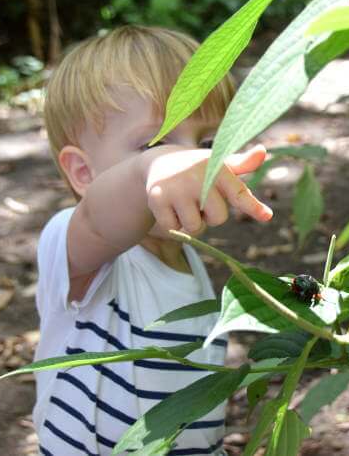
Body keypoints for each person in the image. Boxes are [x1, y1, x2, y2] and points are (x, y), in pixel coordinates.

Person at [31, 25, 273, 456]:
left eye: (207, 142)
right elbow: (99, 219)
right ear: (83, 174)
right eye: (156, 143)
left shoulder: (190, 259)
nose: (191, 160)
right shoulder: (78, 250)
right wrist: (149, 170)